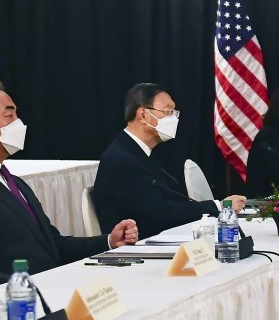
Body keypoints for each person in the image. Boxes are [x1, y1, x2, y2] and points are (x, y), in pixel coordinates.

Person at [0, 77, 138, 296]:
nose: (18, 123)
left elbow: (52, 245)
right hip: (23, 307)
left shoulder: (11, 180)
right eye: (9, 115)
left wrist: (108, 241)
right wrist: (46, 291)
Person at [92, 84, 246, 239]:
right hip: (135, 249)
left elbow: (170, 203)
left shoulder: (139, 152)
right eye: (168, 111)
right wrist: (219, 206)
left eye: (174, 112)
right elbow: (159, 213)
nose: (174, 118)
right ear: (143, 115)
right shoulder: (122, 159)